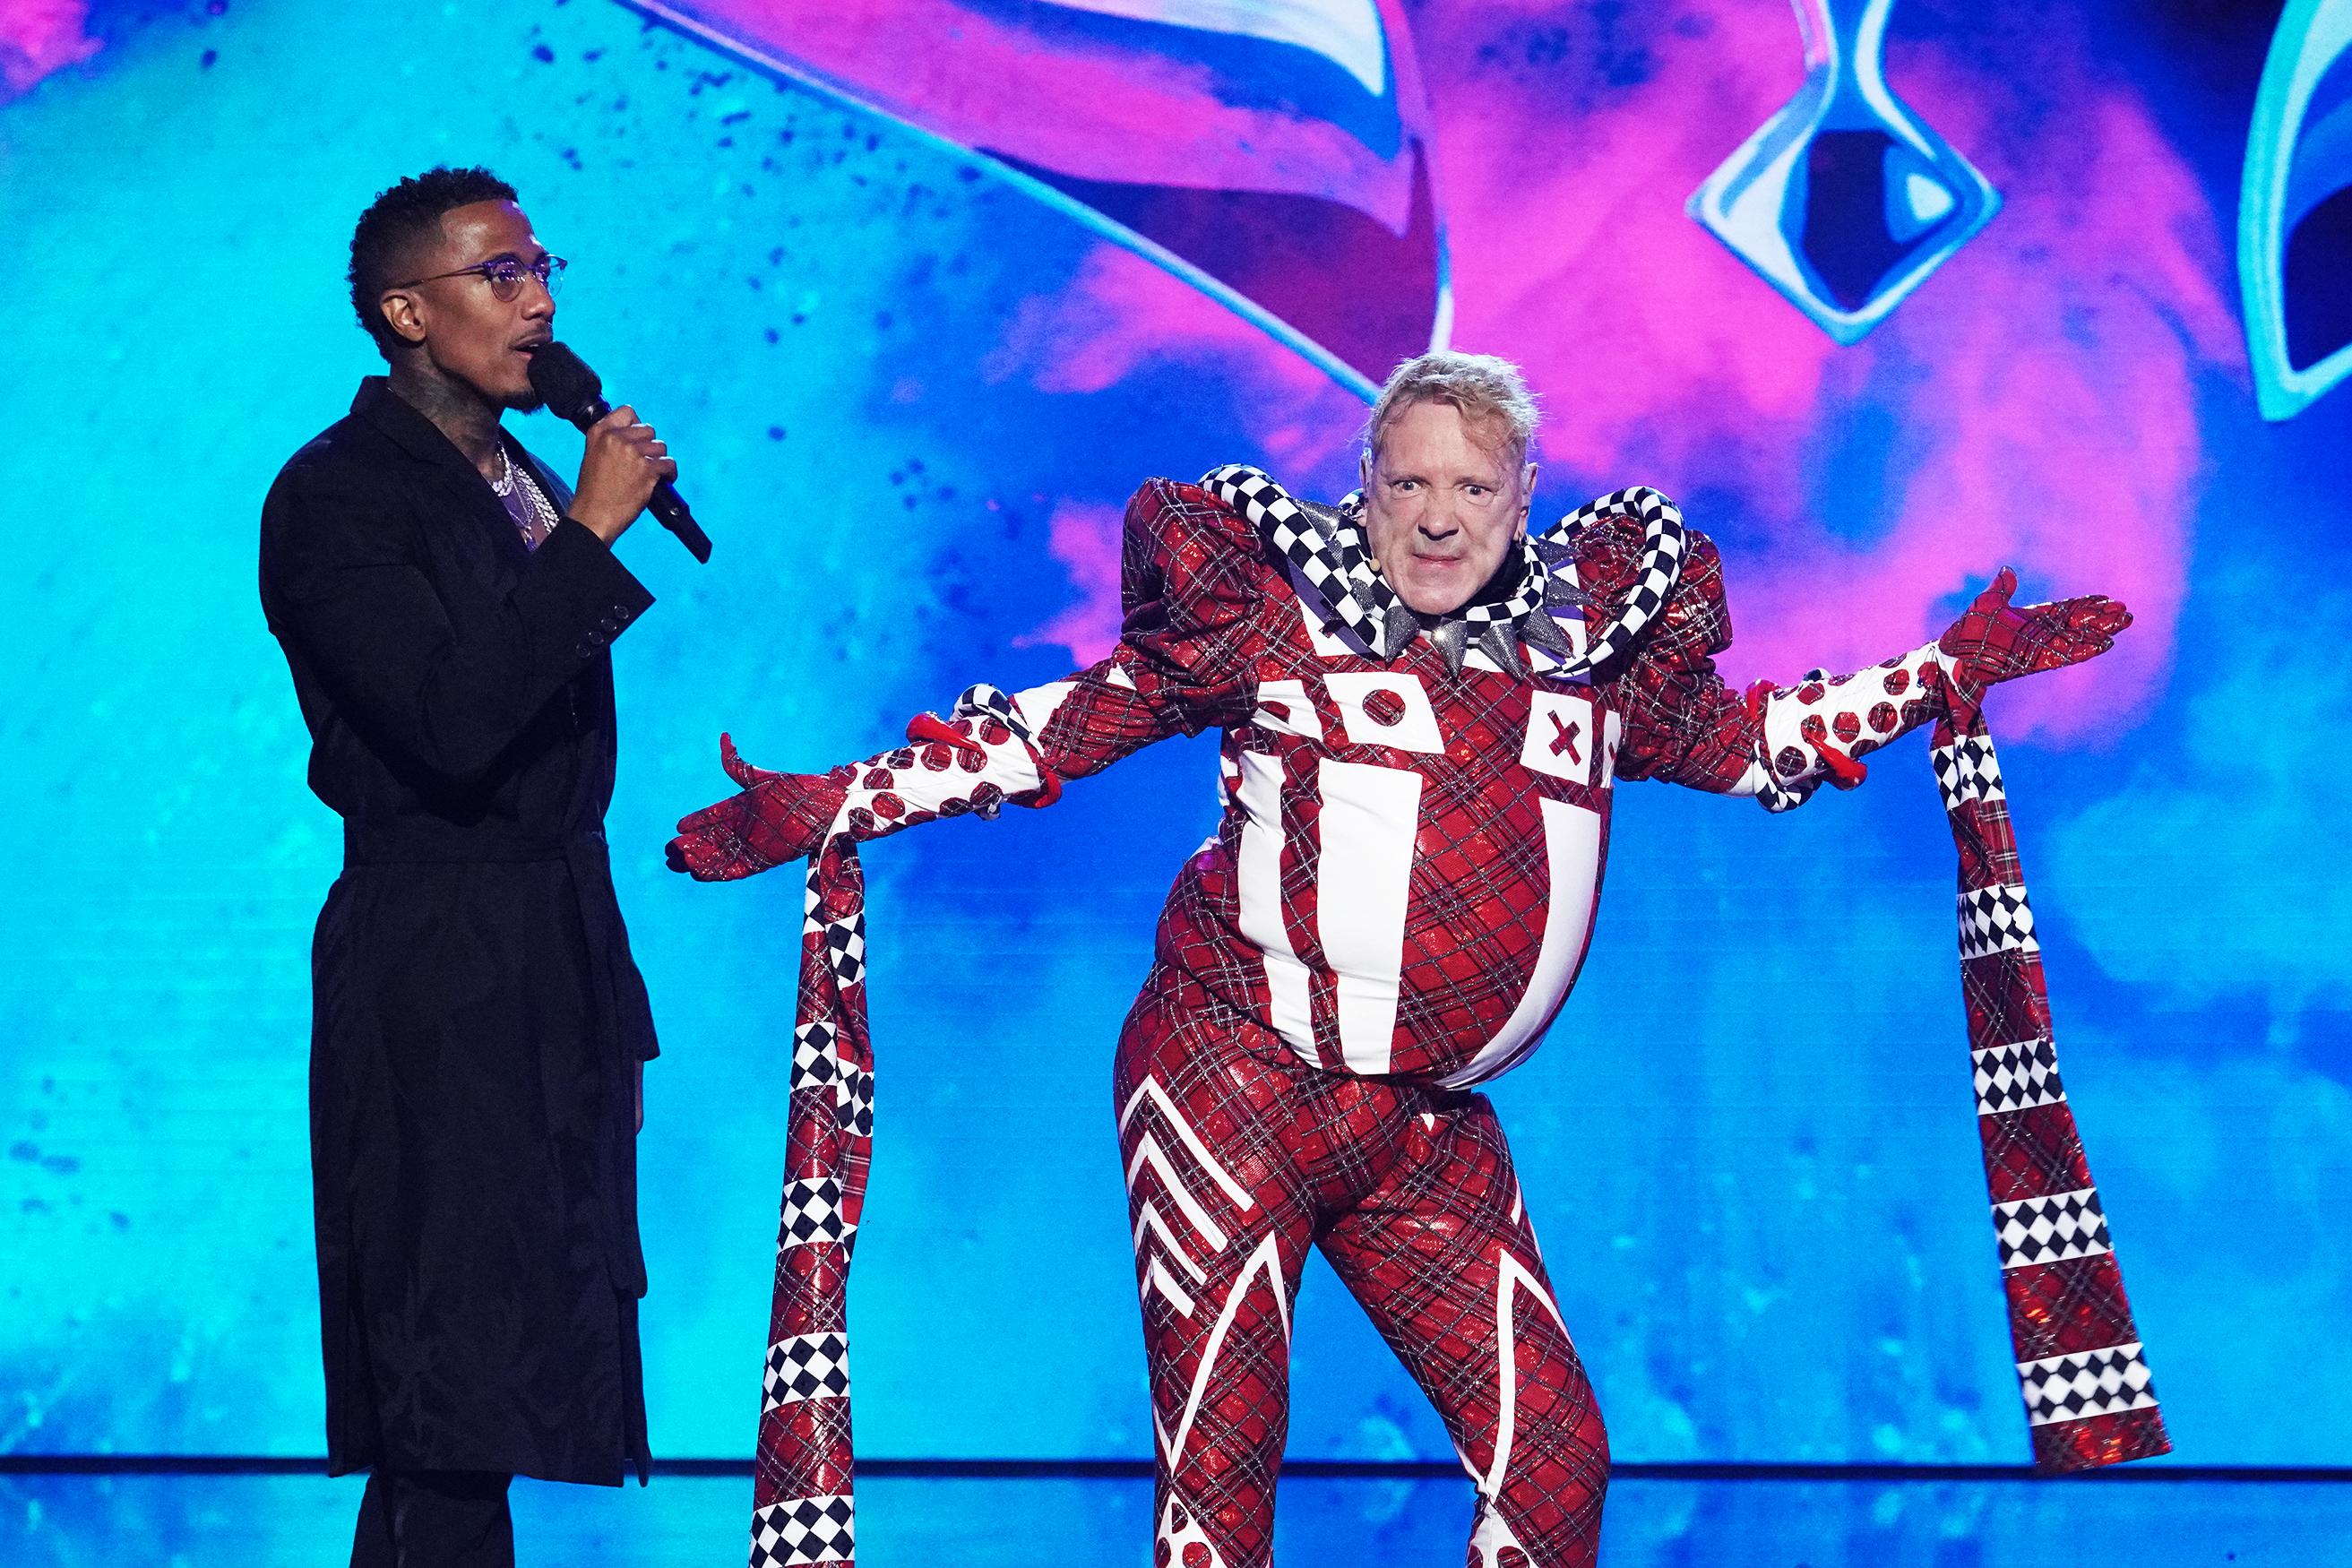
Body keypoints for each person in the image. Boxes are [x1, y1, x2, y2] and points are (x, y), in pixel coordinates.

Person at [667, 352, 2139, 1567]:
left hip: (1422, 1131)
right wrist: (835, 801)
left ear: (1521, 501)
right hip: (1229, 1085)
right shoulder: (1270, 620)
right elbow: (1058, 731)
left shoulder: (1585, 658)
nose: (1437, 519)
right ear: (1363, 492)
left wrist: (1935, 679)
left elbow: (1754, 743)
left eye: (1471, 487)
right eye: (1408, 482)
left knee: (1556, 1465)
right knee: (1221, 1485)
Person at [260, 166, 678, 1568]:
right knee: (447, 1390)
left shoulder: (519, 477)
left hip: (545, 953)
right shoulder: (335, 498)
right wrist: (590, 536)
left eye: (539, 264)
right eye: (496, 274)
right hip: (435, 969)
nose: (539, 299)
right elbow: (445, 723)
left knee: (505, 1384)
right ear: (404, 312)